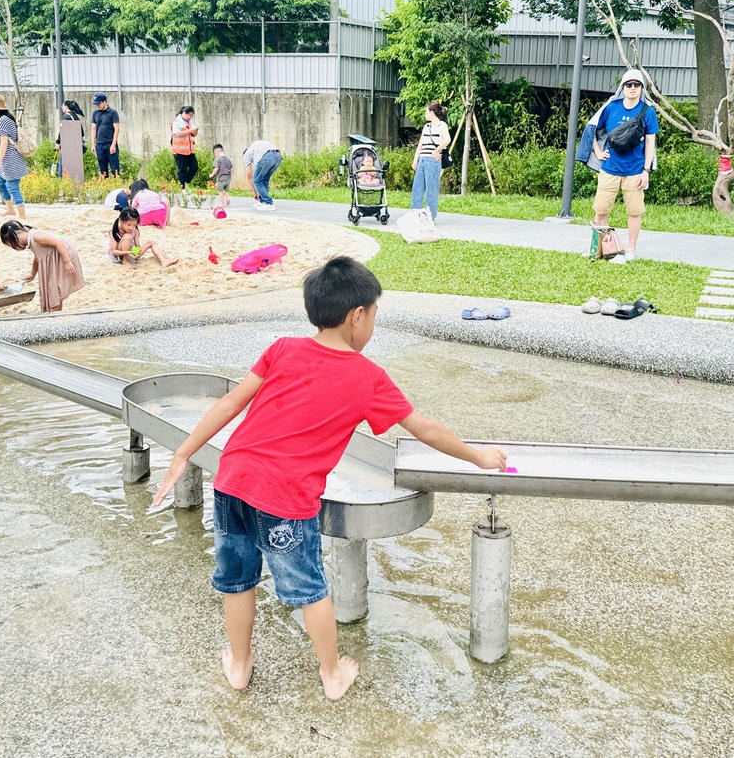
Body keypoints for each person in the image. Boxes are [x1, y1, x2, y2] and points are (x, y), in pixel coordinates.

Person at [152, 257, 508, 700]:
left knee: (237, 578)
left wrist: (183, 453)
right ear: (357, 316)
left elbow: (230, 405)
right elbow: (424, 428)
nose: (373, 325)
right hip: (284, 496)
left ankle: (240, 666)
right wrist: (478, 456)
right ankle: (332, 673)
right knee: (310, 589)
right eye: (374, 315)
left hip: (232, 481)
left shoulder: (282, 349)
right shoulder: (368, 377)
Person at [590, 68, 659, 262]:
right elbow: (592, 128)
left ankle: (631, 249)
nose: (632, 88)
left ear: (642, 88)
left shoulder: (648, 112)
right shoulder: (611, 107)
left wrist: (646, 170)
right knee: (601, 210)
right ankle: (598, 249)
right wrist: (596, 151)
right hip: (609, 168)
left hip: (635, 170)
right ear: (622, 87)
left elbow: (650, 142)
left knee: (634, 212)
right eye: (629, 84)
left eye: (637, 85)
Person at [0, 221, 84, 312]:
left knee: (54, 289)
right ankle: (55, 310)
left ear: (17, 234)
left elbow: (58, 242)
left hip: (62, 257)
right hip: (55, 259)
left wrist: (67, 262)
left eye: (12, 245)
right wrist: (32, 274)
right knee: (53, 289)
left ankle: (54, 311)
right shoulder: (31, 241)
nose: (15, 248)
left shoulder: (36, 237)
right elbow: (38, 257)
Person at [0, 92, 28, 220]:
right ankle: (10, 209)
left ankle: (22, 217)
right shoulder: (7, 117)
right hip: (10, 159)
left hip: (11, 160)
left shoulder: (3, 120)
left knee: (12, 187)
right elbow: (8, 139)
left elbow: (4, 143)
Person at [411, 101, 450, 220]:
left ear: (432, 112)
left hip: (433, 161)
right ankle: (415, 213)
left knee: (431, 189)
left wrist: (436, 151)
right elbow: (421, 144)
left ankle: (430, 216)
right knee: (417, 187)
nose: (425, 113)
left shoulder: (441, 125)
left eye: (426, 111)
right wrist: (415, 160)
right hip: (422, 159)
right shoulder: (426, 127)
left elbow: (447, 140)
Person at [108, 207, 177, 267]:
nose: (131, 228)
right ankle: (125, 261)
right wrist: (128, 252)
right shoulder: (114, 231)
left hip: (130, 253)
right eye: (129, 225)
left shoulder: (135, 230)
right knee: (128, 236)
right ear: (121, 220)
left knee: (151, 242)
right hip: (118, 256)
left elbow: (137, 246)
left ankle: (164, 261)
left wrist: (137, 252)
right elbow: (113, 251)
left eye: (134, 225)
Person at [243, 139, 282, 211]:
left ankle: (268, 203)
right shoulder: (256, 145)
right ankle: (263, 202)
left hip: (266, 157)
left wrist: (255, 192)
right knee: (264, 180)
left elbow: (249, 175)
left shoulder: (246, 155)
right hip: (278, 156)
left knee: (257, 180)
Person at [90, 93, 121, 179]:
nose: (97, 106)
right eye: (96, 104)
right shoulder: (95, 113)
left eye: (99, 103)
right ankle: (106, 188)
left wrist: (113, 144)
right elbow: (93, 129)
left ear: (104, 102)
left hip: (110, 144)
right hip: (99, 145)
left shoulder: (113, 113)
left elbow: (117, 129)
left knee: (115, 170)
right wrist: (93, 144)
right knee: (103, 171)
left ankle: (116, 187)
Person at [170, 106, 199, 188]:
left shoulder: (190, 122)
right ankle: (182, 188)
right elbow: (177, 134)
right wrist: (191, 130)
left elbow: (194, 134)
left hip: (189, 151)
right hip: (179, 151)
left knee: (194, 168)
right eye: (189, 115)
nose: (190, 117)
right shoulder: (176, 122)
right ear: (183, 113)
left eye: (191, 116)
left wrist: (195, 131)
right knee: (182, 170)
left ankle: (185, 181)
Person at [56, 99, 86, 177]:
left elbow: (62, 133)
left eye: (62, 106)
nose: (62, 108)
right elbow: (82, 133)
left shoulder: (65, 117)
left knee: (63, 171)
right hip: (77, 148)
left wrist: (58, 142)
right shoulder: (76, 117)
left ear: (66, 107)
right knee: (74, 172)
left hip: (67, 149)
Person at [209, 143, 232, 210]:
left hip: (220, 179)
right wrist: (230, 176)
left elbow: (216, 168)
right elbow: (231, 169)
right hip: (228, 178)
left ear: (216, 153)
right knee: (226, 190)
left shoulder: (217, 159)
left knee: (220, 191)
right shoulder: (228, 159)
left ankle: (222, 203)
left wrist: (211, 175)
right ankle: (227, 199)